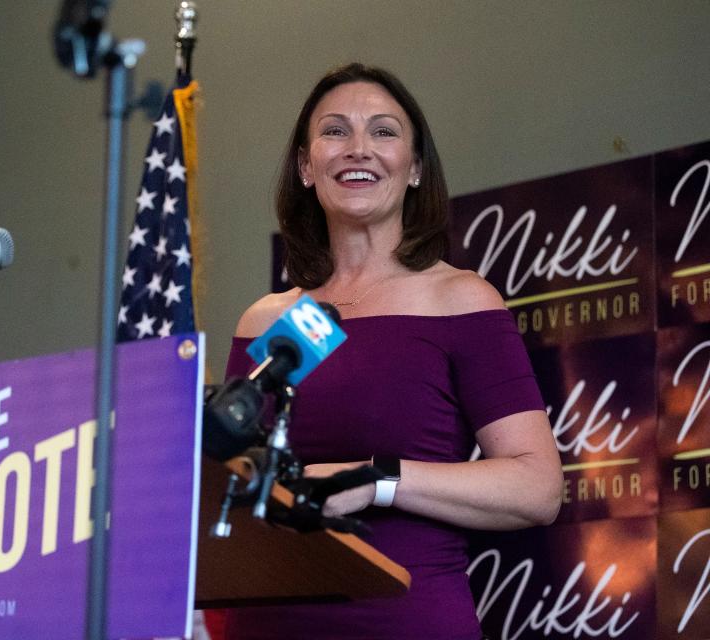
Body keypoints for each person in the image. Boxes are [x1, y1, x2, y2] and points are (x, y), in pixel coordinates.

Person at [221, 63, 563, 640]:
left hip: (407, 618)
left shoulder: (459, 299)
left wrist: (380, 481)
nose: (359, 149)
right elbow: (227, 485)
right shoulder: (270, 319)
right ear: (306, 167)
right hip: (265, 622)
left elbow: (537, 488)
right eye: (335, 131)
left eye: (383, 132)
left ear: (415, 169)